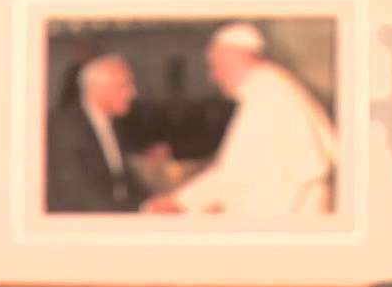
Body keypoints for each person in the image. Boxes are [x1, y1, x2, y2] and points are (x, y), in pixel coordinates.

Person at [143, 22, 336, 216]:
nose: (213, 77)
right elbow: (235, 169)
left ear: (234, 59)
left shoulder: (271, 95)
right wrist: (181, 200)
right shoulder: (266, 88)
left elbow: (261, 181)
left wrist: (182, 203)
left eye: (215, 66)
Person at [47, 53, 144, 213]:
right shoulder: (65, 128)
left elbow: (123, 180)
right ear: (98, 89)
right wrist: (138, 211)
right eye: (125, 85)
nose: (132, 93)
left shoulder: (112, 125)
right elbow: (77, 195)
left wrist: (150, 204)